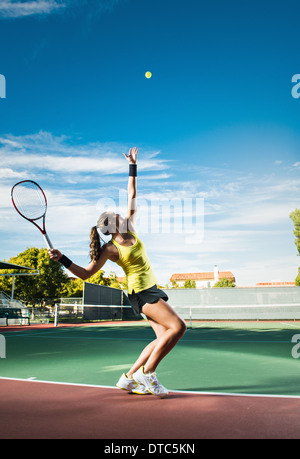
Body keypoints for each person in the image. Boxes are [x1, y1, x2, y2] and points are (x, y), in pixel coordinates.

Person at [48, 147, 186, 397]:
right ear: (112, 225)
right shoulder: (110, 249)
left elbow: (133, 194)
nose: (121, 213)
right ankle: (149, 373)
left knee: (162, 337)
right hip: (141, 292)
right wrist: (62, 259)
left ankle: (129, 377)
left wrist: (132, 166)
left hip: (150, 287)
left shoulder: (131, 228)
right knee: (178, 327)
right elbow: (86, 273)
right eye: (115, 215)